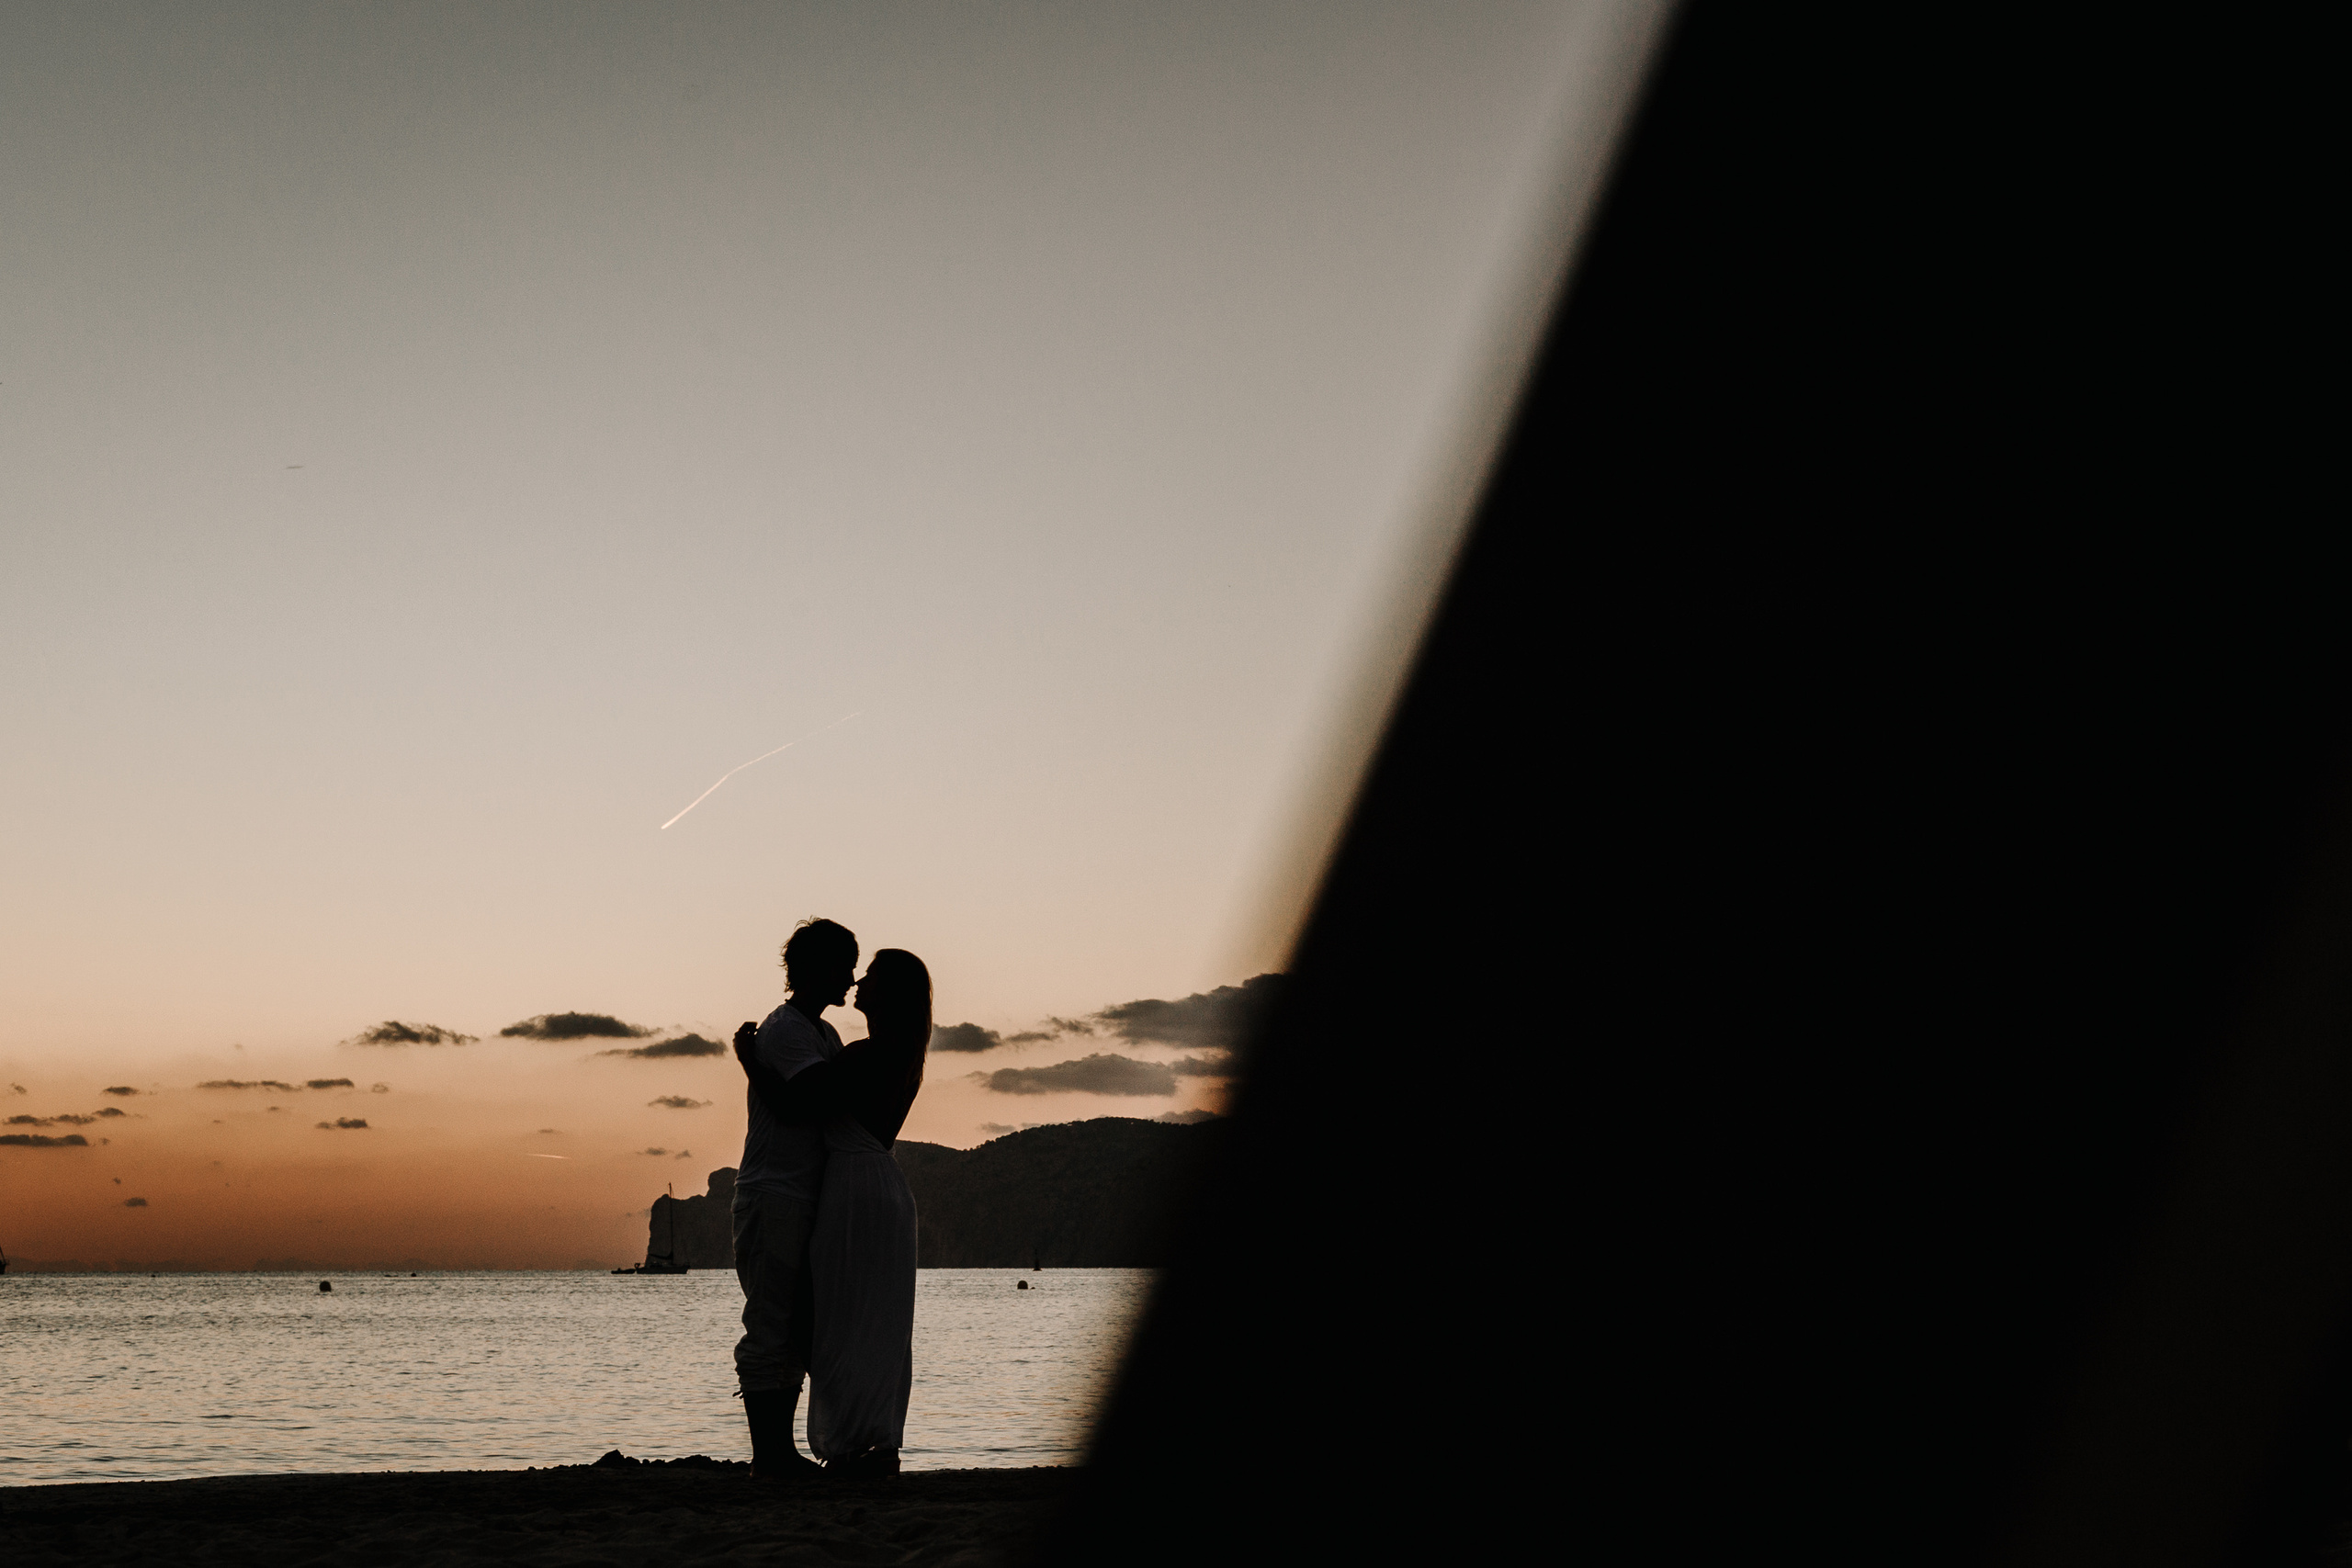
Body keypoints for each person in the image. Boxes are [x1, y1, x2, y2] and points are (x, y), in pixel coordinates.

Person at [735, 948, 931, 1478]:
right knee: (865, 1321)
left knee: (842, 1320)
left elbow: (797, 1104)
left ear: (887, 994)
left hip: (856, 1190)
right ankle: (868, 1444)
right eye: (852, 968)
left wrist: (749, 1059)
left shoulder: (868, 1054)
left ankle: (849, 1447)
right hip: (874, 1185)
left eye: (868, 975)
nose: (857, 980)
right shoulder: (889, 1051)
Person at [729, 916, 858, 1481]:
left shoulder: (822, 1035)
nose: (851, 979)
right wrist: (752, 1062)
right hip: (774, 1193)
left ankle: (780, 1454)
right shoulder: (786, 1032)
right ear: (815, 968)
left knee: (798, 1322)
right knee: (772, 1322)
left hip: (801, 1195)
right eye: (844, 965)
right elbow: (803, 1104)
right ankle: (771, 1458)